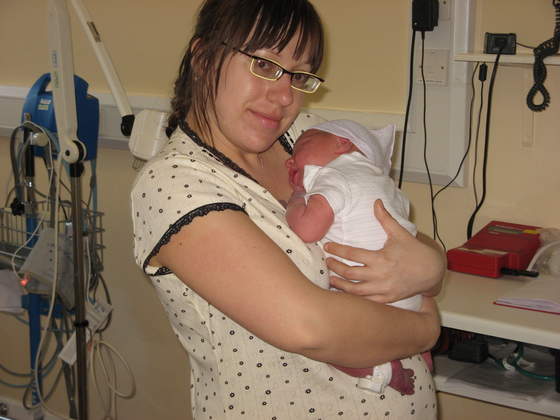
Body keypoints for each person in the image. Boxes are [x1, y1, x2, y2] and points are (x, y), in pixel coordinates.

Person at [131, 0, 444, 418]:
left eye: (298, 75)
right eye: (264, 65)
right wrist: (426, 328)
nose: (284, 95)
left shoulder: (305, 138)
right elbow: (308, 327)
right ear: (203, 58)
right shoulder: (173, 183)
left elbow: (391, 230)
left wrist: (432, 265)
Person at [285, 120, 432, 396]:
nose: (289, 161)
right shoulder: (388, 187)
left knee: (331, 344)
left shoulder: (335, 175)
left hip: (366, 299)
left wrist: (295, 201)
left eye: (302, 146)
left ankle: (377, 368)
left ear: (342, 144)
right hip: (407, 295)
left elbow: (307, 229)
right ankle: (416, 354)